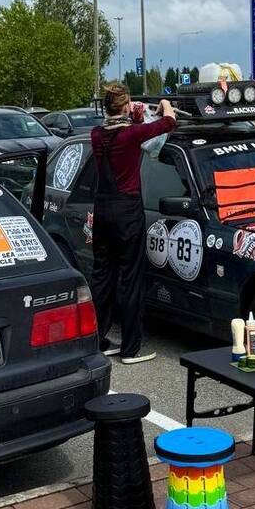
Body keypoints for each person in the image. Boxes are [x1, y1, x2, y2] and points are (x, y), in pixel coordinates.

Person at [90, 84, 176, 364]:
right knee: (131, 277)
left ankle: (98, 340)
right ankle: (130, 348)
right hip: (127, 211)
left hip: (102, 209)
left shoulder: (96, 134)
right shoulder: (131, 135)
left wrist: (135, 119)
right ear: (126, 106)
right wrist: (165, 105)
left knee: (102, 276)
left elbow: (122, 133)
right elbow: (168, 123)